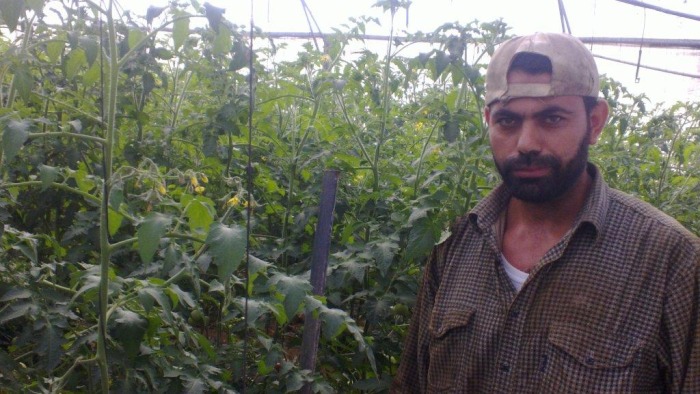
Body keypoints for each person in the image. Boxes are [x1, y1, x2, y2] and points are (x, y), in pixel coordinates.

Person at [391, 32, 700, 393]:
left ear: (595, 121)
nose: (526, 144)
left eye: (552, 119)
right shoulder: (456, 245)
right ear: (489, 120)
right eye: (508, 121)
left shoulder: (671, 261)